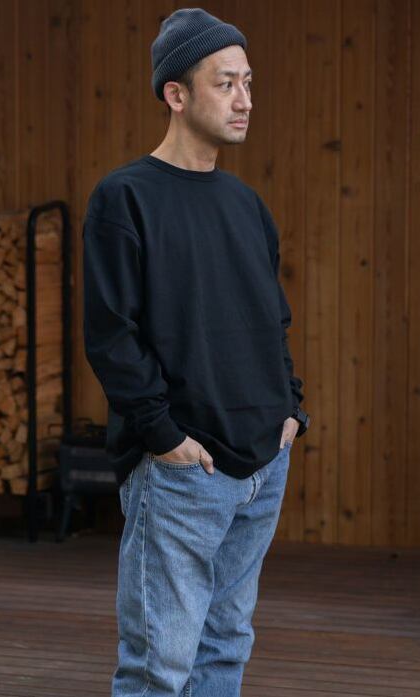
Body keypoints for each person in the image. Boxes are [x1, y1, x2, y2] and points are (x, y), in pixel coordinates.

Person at [81, 7, 311, 697]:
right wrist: (164, 436)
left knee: (225, 647)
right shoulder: (125, 198)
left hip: (263, 460)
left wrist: (290, 411)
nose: (245, 100)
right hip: (183, 469)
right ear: (175, 94)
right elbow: (112, 334)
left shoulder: (246, 204)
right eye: (225, 83)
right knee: (159, 664)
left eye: (248, 82)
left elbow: (271, 321)